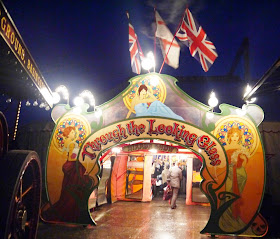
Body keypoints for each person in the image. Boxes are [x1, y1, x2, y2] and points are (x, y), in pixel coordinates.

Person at [42, 126, 94, 223]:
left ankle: (70, 212)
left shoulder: (66, 143)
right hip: (73, 166)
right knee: (74, 188)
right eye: (73, 132)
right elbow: (73, 157)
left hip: (69, 165)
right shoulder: (72, 143)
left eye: (75, 132)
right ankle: (71, 213)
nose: (74, 134)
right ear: (69, 133)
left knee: (68, 188)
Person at [219, 125, 250, 232]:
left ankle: (235, 217)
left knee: (236, 194)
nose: (235, 137)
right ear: (229, 136)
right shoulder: (225, 147)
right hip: (229, 172)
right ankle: (226, 218)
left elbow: (245, 162)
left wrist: (242, 161)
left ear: (240, 137)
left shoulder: (242, 148)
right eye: (233, 135)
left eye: (237, 135)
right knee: (228, 193)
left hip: (240, 173)